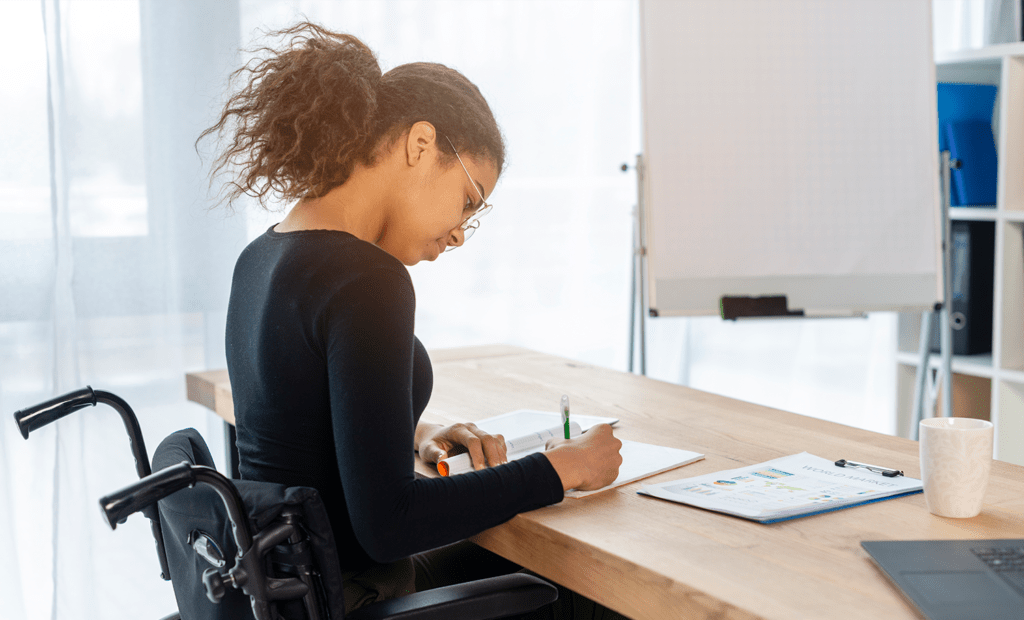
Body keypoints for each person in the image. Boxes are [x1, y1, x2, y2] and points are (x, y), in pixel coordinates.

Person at [203, 22, 624, 618]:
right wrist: (562, 467)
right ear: (420, 144)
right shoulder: (367, 278)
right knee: (588, 585)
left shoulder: (262, 257)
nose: (459, 232)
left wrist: (416, 433)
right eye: (469, 200)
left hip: (289, 591)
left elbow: (303, 437)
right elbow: (389, 525)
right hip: (355, 595)